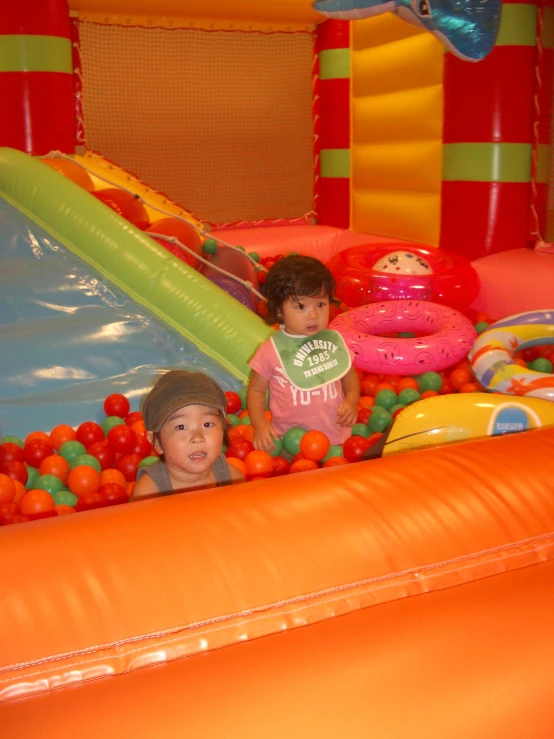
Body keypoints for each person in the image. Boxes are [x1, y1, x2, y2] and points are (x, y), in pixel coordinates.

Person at [247, 255, 360, 452]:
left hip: (337, 437)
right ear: (279, 311)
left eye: (320, 304)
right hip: (289, 441)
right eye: (300, 306)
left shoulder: (332, 341)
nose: (313, 315)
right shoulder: (270, 350)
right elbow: (256, 391)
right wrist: (260, 425)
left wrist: (351, 400)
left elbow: (349, 374)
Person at [131, 370, 244, 500]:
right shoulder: (150, 492)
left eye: (207, 424)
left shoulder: (230, 478)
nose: (197, 438)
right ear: (157, 442)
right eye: (181, 427)